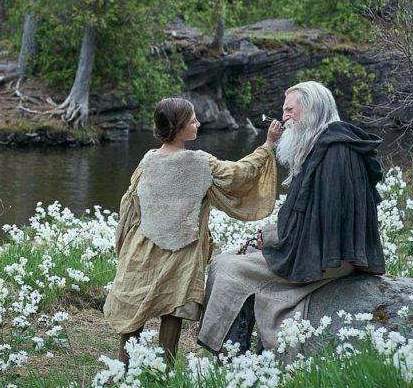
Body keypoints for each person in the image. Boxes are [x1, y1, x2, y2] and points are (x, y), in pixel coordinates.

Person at [197, 81, 385, 357]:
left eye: (289, 110)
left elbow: (325, 225)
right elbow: (312, 217)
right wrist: (274, 237)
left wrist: (276, 240)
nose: (283, 118)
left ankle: (231, 355)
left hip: (327, 259)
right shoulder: (328, 144)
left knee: (227, 268)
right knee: (240, 255)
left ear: (310, 110)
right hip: (322, 251)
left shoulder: (334, 153)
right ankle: (239, 351)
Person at [103, 97, 282, 365]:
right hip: (182, 250)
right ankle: (163, 371)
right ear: (178, 126)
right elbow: (240, 174)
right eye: (193, 120)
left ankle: (124, 370)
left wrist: (123, 245)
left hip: (142, 248)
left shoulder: (147, 160)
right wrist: (268, 145)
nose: (198, 123)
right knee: (173, 309)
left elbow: (130, 208)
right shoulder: (200, 163)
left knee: (135, 308)